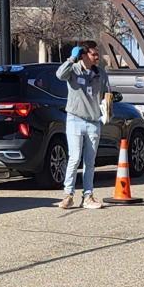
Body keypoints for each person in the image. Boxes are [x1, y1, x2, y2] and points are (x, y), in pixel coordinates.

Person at [56, 40, 112, 209]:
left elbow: (107, 95)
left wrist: (107, 111)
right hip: (75, 119)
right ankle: (68, 195)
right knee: (74, 158)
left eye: (97, 54)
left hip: (94, 122)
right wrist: (71, 58)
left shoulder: (100, 74)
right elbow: (59, 75)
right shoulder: (73, 70)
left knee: (90, 161)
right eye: (93, 54)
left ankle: (88, 196)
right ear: (84, 55)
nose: (97, 57)